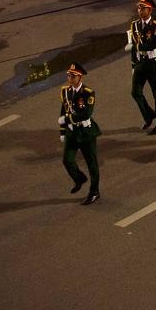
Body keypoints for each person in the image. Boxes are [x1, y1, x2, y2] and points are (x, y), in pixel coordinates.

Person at [58, 63, 101, 206]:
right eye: (68, 75)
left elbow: (86, 113)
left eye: (73, 76)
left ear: (79, 77)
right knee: (67, 160)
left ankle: (94, 192)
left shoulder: (88, 92)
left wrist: (67, 119)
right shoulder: (65, 91)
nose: (69, 78)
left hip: (86, 132)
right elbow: (64, 110)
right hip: (72, 132)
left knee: (92, 164)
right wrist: (63, 131)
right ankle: (79, 179)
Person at [127, 0, 156, 133]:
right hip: (140, 63)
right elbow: (133, 47)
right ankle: (149, 115)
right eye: (139, 7)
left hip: (153, 63)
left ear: (150, 10)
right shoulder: (134, 25)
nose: (140, 10)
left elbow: (153, 44)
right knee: (135, 92)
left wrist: (136, 47)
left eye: (143, 8)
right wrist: (133, 64)